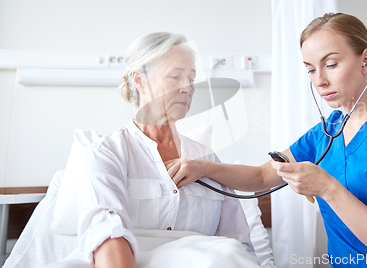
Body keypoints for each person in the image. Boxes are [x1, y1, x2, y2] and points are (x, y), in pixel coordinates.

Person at [166, 13, 367, 267]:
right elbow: (262, 176)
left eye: (331, 64)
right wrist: (202, 167)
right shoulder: (327, 131)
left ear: (365, 60)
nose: (319, 81)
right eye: (311, 69)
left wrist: (328, 188)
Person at [76, 32, 258, 268]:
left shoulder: (207, 160)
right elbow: (107, 233)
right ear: (140, 81)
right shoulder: (108, 154)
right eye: (175, 76)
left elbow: (238, 244)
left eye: (191, 79)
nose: (187, 88)